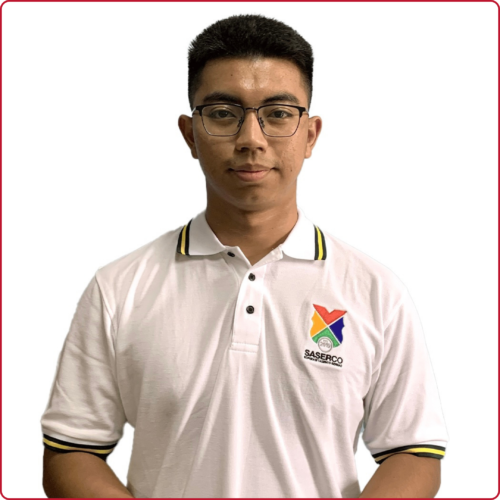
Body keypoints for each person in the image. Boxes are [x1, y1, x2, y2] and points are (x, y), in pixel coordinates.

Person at [41, 13, 449, 498]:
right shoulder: (119, 287)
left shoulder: (375, 291)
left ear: (310, 134)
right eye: (222, 113)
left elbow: (412, 452)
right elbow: (73, 451)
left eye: (278, 113)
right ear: (190, 134)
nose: (251, 139)